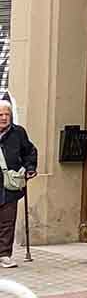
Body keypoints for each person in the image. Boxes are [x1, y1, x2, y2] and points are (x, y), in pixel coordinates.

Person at [0, 101, 37, 269]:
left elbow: (30, 151)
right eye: (0, 115)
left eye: (7, 114)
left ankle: (4, 255)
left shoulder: (18, 133)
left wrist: (30, 168)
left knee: (7, 221)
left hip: (9, 184)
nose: (4, 118)